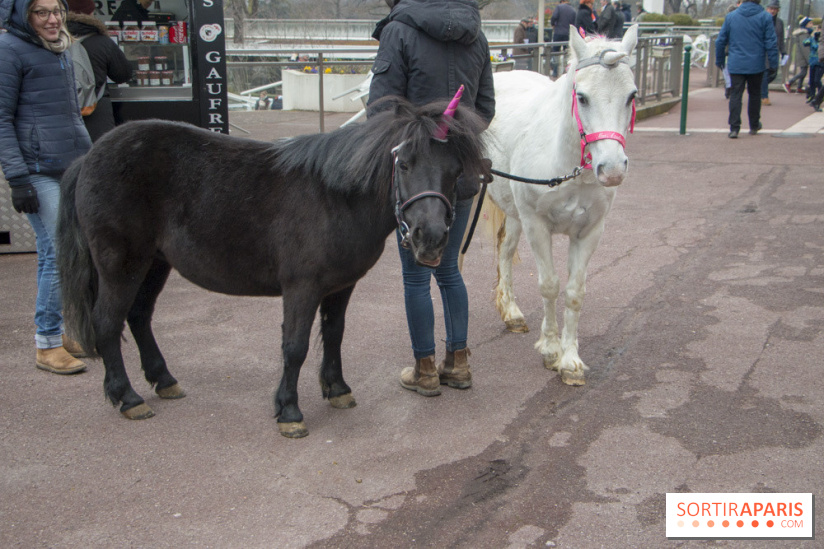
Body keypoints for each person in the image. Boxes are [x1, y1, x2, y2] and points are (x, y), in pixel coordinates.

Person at [367, 0, 495, 397]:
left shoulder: (399, 30)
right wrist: (455, 137)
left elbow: (381, 109)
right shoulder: (478, 34)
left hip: (418, 184)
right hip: (459, 174)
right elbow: (486, 108)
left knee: (416, 276)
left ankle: (424, 371)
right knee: (450, 271)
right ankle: (458, 364)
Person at [0, 0, 92, 374]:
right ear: (24, 16)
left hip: (72, 166)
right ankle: (47, 343)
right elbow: (1, 119)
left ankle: (68, 333)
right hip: (37, 170)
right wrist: (18, 178)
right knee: (56, 252)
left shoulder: (59, 49)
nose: (53, 19)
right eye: (42, 12)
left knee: (74, 250)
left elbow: (69, 112)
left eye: (57, 10)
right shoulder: (9, 51)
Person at [66, 0, 131, 142]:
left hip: (63, 114)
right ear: (91, 13)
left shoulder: (51, 41)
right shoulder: (102, 41)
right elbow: (123, 74)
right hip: (97, 115)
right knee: (100, 159)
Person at [715, 0, 778, 139]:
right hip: (757, 63)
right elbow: (771, 42)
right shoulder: (765, 17)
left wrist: (719, 60)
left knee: (736, 94)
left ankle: (734, 127)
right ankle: (754, 125)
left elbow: (720, 41)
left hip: (736, 62)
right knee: (755, 94)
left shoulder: (731, 16)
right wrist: (774, 63)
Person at [761, 0, 785, 105]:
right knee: (765, 73)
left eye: (775, 9)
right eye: (771, 8)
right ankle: (764, 96)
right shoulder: (763, 19)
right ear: (767, 9)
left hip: (775, 51)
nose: (773, 11)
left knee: (773, 73)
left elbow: (781, 38)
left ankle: (760, 87)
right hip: (764, 51)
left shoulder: (779, 22)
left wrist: (784, 51)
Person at [786, 17, 813, 93]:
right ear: (805, 24)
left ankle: (799, 87)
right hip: (803, 56)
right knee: (803, 72)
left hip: (802, 56)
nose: (812, 25)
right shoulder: (803, 34)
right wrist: (809, 58)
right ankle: (789, 82)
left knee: (803, 72)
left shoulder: (806, 33)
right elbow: (805, 47)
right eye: (810, 23)